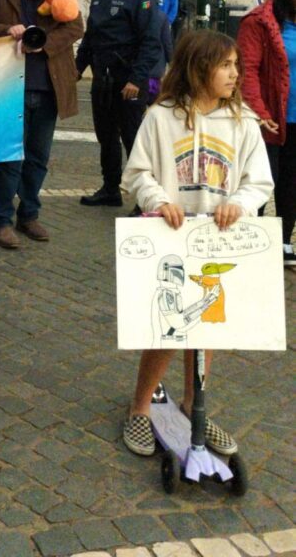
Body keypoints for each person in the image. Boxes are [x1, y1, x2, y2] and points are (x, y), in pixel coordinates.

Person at [120, 30, 273, 457]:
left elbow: (258, 181)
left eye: (236, 65)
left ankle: (193, 404)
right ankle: (140, 407)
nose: (235, 73)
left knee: (206, 327)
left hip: (218, 241)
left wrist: (239, 205)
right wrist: (158, 200)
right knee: (166, 327)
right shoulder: (160, 117)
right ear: (198, 67)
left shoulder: (243, 122)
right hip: (171, 238)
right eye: (225, 65)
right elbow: (138, 173)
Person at [0, 0, 84, 248]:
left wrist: (43, 43)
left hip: (49, 89)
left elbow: (76, 27)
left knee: (38, 157)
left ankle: (29, 214)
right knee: (10, 157)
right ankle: (2, 220)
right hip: (11, 90)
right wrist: (6, 30)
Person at [76, 0, 162, 209]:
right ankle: (110, 188)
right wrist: (77, 68)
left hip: (128, 82)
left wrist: (136, 79)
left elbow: (151, 42)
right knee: (106, 137)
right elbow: (90, 37)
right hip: (103, 80)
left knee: (133, 140)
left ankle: (144, 199)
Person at [237, 0, 296, 265]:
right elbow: (247, 71)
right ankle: (251, 240)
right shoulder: (259, 22)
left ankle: (283, 241)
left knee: (291, 184)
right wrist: (259, 111)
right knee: (261, 181)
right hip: (269, 119)